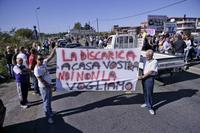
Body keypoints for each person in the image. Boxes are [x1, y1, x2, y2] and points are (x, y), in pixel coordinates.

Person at [34, 47, 56, 124]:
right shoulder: (36, 69)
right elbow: (41, 80)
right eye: (39, 59)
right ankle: (48, 117)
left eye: (42, 59)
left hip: (49, 85)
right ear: (36, 60)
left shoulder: (44, 63)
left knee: (49, 100)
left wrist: (54, 49)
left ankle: (50, 111)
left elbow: (50, 56)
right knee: (46, 102)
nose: (41, 60)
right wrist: (50, 86)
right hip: (44, 87)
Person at [138, 49, 158, 115]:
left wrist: (142, 77)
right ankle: (146, 103)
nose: (146, 57)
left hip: (149, 78)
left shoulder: (154, 61)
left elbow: (151, 72)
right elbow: (138, 57)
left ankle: (150, 107)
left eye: (147, 56)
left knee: (149, 93)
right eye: (146, 55)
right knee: (145, 91)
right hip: (144, 77)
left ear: (151, 56)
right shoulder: (145, 59)